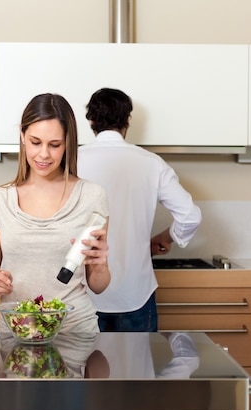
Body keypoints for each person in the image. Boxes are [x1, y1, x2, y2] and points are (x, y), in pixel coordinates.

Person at [0, 93, 111, 335]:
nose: (43, 155)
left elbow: (97, 286)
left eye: (55, 144)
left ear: (68, 142)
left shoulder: (92, 196)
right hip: (18, 332)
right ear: (22, 136)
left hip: (75, 331)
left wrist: (100, 265)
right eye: (35, 142)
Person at [78, 88, 201, 332]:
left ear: (90, 120)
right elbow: (190, 216)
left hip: (82, 295)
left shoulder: (70, 160)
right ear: (128, 120)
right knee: (138, 369)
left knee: (82, 369)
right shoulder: (151, 162)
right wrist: (165, 238)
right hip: (135, 295)